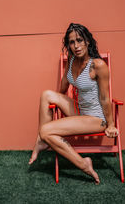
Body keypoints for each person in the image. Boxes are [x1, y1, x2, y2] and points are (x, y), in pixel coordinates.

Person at [28, 23, 118, 184]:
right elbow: (62, 88)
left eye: (80, 40)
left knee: (46, 130)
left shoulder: (98, 65)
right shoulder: (71, 60)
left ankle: (83, 163)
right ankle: (41, 141)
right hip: (80, 111)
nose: (76, 46)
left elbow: (105, 98)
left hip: (96, 119)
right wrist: (56, 104)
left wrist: (110, 124)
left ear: (87, 41)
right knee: (46, 94)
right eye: (71, 42)